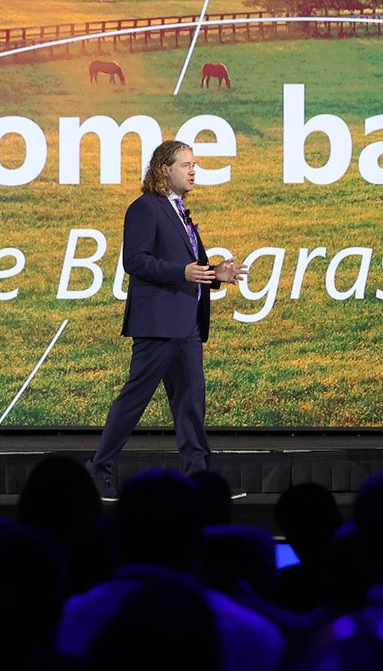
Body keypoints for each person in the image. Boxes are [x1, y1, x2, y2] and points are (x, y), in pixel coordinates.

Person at [85, 140, 248, 500]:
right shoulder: (146, 208)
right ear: (163, 170)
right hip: (158, 324)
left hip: (187, 323)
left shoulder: (179, 210)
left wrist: (216, 273)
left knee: (191, 402)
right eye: (185, 165)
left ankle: (199, 479)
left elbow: (190, 268)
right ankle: (98, 470)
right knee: (135, 399)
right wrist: (182, 273)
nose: (193, 171)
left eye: (195, 165)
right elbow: (136, 261)